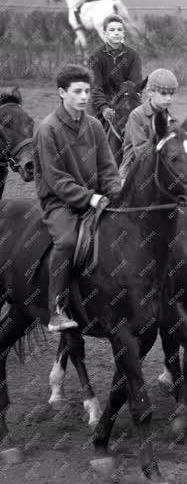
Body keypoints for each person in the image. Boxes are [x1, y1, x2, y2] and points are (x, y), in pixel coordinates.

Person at [33, 64, 121, 332]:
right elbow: (57, 180)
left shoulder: (94, 125)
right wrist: (91, 199)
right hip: (60, 203)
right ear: (62, 92)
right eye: (78, 91)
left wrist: (116, 195)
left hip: (97, 197)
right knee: (68, 241)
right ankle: (56, 310)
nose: (84, 97)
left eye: (87, 91)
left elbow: (108, 168)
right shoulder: (47, 129)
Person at [120, 68, 178, 181]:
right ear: (150, 92)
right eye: (164, 93)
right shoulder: (136, 116)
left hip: (163, 171)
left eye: (171, 94)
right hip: (133, 172)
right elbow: (141, 151)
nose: (169, 98)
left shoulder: (173, 121)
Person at [87, 14, 142, 128]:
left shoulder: (133, 55)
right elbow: (95, 87)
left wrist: (124, 104)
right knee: (91, 131)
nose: (116, 33)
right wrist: (104, 108)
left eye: (119, 30)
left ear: (123, 33)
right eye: (112, 30)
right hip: (102, 103)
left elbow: (135, 84)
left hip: (126, 102)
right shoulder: (95, 57)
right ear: (105, 34)